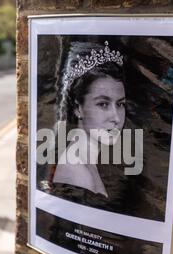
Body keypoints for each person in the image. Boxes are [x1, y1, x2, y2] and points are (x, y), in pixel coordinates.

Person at [52, 41, 126, 198]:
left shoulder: (87, 161)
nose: (116, 117)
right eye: (103, 104)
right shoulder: (77, 172)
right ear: (78, 108)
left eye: (120, 104)